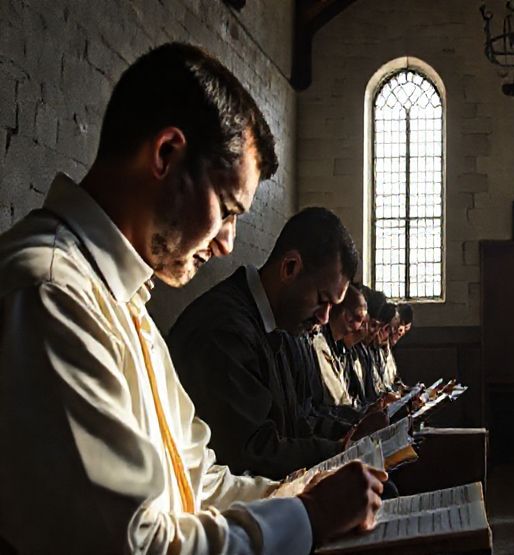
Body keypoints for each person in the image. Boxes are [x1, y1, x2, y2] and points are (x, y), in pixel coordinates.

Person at [0, 42, 382, 553]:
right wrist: (308, 517)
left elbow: (198, 482)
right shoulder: (51, 294)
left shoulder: (125, 304)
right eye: (227, 209)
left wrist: (298, 493)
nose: (227, 244)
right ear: (166, 155)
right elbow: (135, 544)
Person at [169, 207, 385, 480]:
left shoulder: (283, 327)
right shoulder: (223, 329)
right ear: (290, 267)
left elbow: (298, 423)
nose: (324, 317)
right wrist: (342, 451)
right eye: (322, 299)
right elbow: (251, 452)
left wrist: (350, 434)